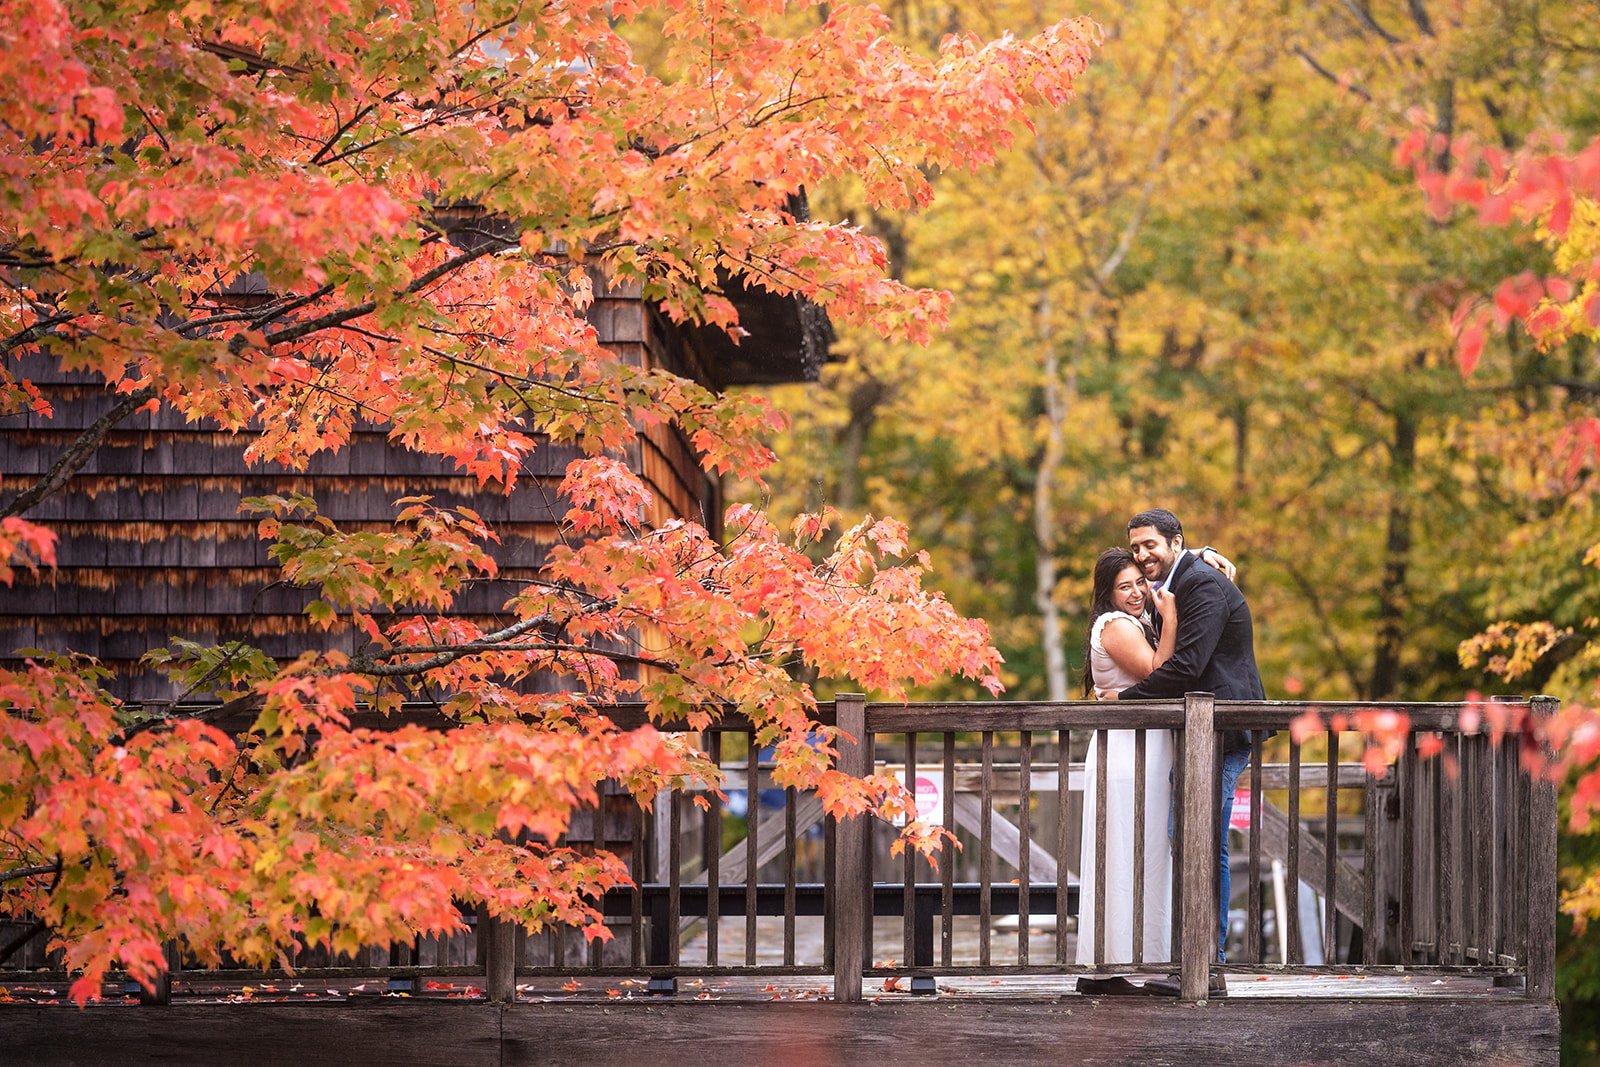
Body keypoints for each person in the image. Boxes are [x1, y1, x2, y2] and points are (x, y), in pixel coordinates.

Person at [1096, 507, 1266, 999]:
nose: (1142, 554)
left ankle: (1207, 965)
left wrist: (1124, 699)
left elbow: (1187, 667)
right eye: (1136, 547)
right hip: (1199, 735)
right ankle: (1198, 961)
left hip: (1221, 732)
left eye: (1150, 544)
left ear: (1176, 541)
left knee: (1201, 841)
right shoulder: (1178, 582)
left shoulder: (1201, 585)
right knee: (1191, 838)